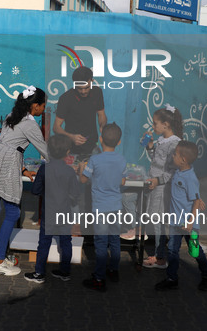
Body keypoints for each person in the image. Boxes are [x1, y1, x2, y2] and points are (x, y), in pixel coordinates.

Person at [0, 86, 48, 277]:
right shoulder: (31, 124)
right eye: (43, 105)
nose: (43, 109)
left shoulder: (11, 116)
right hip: (8, 164)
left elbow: (10, 143)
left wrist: (23, 168)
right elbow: (45, 150)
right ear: (35, 106)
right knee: (13, 211)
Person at [121, 104, 183, 270]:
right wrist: (149, 147)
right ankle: (137, 227)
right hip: (152, 182)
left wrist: (158, 180)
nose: (153, 126)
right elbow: (155, 158)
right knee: (128, 197)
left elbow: (172, 170)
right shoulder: (162, 140)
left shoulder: (174, 144)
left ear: (166, 125)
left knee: (158, 222)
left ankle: (160, 256)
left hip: (162, 188)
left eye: (155, 123)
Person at [155, 140, 207, 291]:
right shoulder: (178, 172)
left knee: (195, 251)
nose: (173, 156)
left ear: (183, 159)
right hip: (176, 222)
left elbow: (195, 202)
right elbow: (195, 197)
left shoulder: (190, 178)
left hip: (189, 225)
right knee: (173, 250)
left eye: (175, 154)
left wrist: (190, 221)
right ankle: (172, 278)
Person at [24, 134, 82, 284]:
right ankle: (65, 272)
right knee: (66, 242)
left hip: (48, 213)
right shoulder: (70, 172)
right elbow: (76, 194)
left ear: (48, 151)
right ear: (68, 152)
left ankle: (39, 273)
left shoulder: (44, 169)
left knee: (44, 243)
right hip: (65, 213)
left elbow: (35, 190)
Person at [79, 123, 127, 292]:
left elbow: (84, 180)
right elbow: (122, 181)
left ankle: (99, 278)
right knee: (114, 240)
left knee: (101, 242)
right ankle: (114, 270)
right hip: (116, 206)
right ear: (119, 142)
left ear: (100, 140)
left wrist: (81, 169)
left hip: (100, 207)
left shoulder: (94, 160)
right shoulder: (121, 159)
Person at [53, 66, 107, 157]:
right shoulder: (65, 98)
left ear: (91, 81)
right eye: (79, 88)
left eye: (86, 88)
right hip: (71, 150)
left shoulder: (97, 93)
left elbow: (101, 114)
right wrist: (71, 137)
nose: (83, 91)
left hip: (93, 146)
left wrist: (102, 126)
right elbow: (56, 127)